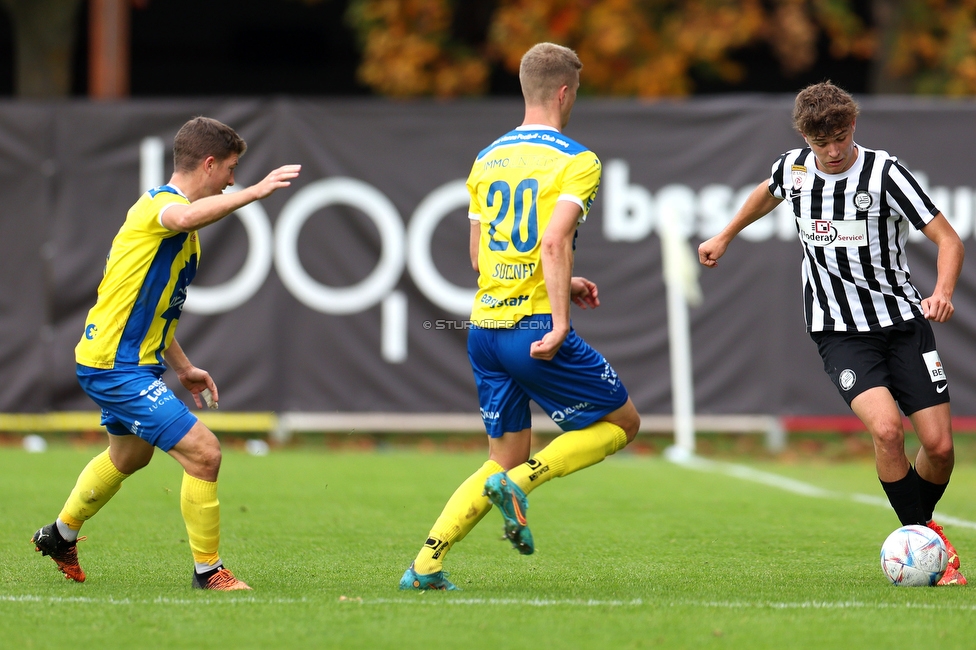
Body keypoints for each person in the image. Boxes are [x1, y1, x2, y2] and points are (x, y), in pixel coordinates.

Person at [698, 82, 966, 585]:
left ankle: (919, 531)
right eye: (822, 143)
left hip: (904, 323)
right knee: (887, 430)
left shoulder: (886, 173)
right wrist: (725, 234)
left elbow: (947, 238)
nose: (834, 151)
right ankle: (925, 540)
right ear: (806, 138)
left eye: (841, 138)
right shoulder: (794, 168)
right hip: (838, 330)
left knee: (940, 447)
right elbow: (766, 192)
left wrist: (944, 290)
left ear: (853, 127)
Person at [399, 42, 641, 591]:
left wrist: (562, 282)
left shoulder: (488, 157)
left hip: (484, 329)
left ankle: (425, 565)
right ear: (564, 92)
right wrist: (558, 320)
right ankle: (525, 484)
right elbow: (554, 242)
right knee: (623, 423)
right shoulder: (577, 160)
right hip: (532, 328)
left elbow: (480, 256)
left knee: (500, 456)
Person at [31, 117, 301, 591]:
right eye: (232, 169)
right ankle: (208, 571)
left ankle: (60, 534)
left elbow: (152, 306)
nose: (233, 180)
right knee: (205, 454)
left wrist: (184, 368)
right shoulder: (161, 206)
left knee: (129, 457)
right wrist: (255, 193)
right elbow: (182, 217)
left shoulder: (179, 226)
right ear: (210, 163)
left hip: (125, 360)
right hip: (115, 365)